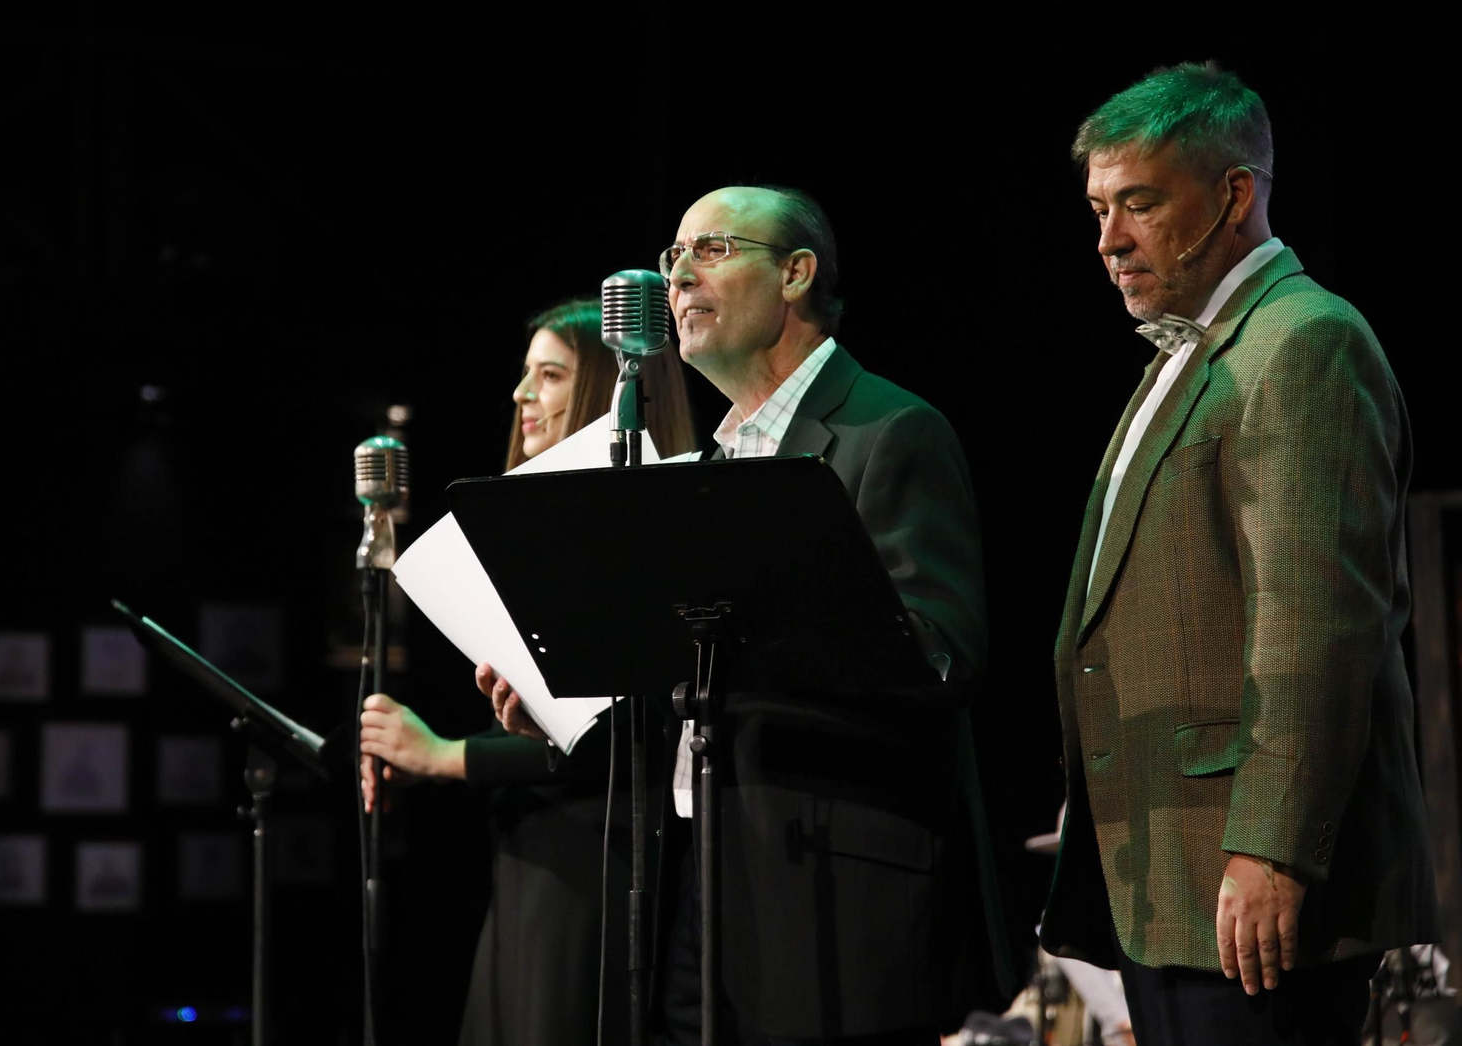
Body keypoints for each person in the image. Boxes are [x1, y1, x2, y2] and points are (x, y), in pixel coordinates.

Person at [483, 185, 999, 1043]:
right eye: (672, 257)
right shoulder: (711, 459)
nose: (679, 274)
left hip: (834, 880)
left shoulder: (890, 430)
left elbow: (943, 653)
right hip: (706, 878)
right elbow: (696, 691)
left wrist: (775, 594)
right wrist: (562, 711)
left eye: (711, 249)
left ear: (796, 274)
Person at [1039, 62, 1440, 1044]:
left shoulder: (1301, 342)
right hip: (1172, 879)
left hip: (1243, 884)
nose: (1109, 240)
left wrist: (1270, 848)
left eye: (1137, 203)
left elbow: (1315, 634)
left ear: (1232, 195)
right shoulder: (1196, 349)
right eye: (1097, 208)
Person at [359, 296, 694, 1046]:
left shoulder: (640, 529)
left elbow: (626, 736)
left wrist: (446, 756)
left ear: (611, 389)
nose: (521, 396)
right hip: (526, 857)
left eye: (548, 376)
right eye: (525, 375)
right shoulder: (536, 536)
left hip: (594, 868)